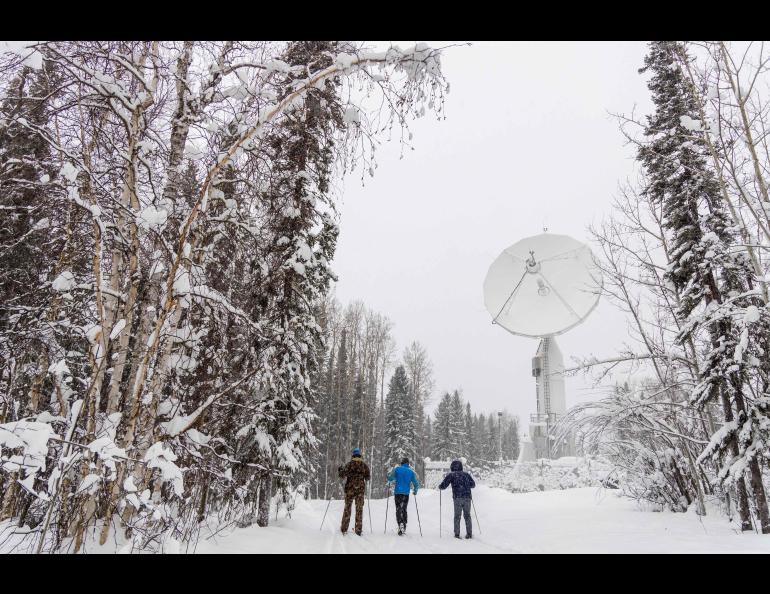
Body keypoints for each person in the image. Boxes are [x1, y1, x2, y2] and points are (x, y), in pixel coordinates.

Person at [438, 459, 476, 539]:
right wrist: (466, 485)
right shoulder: (466, 475)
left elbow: (444, 486)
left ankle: (457, 534)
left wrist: (440, 486)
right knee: (467, 516)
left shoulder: (451, 475)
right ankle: (469, 534)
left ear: (452, 467)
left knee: (457, 516)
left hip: (457, 498)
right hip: (467, 498)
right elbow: (473, 485)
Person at [338, 448, 371, 536]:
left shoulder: (349, 465)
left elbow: (342, 475)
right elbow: (368, 477)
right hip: (360, 490)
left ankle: (344, 528)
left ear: (353, 455)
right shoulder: (364, 465)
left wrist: (340, 470)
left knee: (347, 508)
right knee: (359, 509)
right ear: (360, 455)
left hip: (350, 489)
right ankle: (358, 529)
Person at [386, 457, 420, 535]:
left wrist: (388, 475)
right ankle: (404, 525)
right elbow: (416, 483)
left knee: (398, 508)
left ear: (401, 463)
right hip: (406, 493)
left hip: (398, 492)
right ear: (408, 464)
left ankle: (400, 523)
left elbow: (391, 478)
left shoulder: (397, 469)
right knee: (404, 508)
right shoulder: (411, 472)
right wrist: (415, 491)